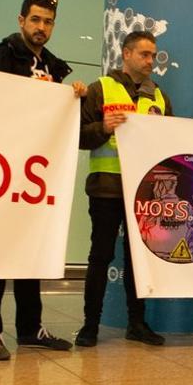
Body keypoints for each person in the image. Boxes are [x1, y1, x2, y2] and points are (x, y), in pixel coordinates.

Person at [0, 0, 81, 359]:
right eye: (35, 20)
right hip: (0, 169)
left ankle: (30, 328)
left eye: (48, 22)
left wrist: (71, 96)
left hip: (36, 173)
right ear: (21, 21)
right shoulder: (0, 56)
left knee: (30, 251)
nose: (41, 27)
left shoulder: (52, 65)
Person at [76, 31, 170, 348]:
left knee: (138, 261)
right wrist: (102, 128)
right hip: (106, 188)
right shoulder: (100, 89)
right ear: (126, 54)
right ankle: (90, 325)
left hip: (144, 195)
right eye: (144, 54)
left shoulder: (160, 97)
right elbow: (77, 136)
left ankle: (137, 323)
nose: (150, 61)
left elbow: (171, 145)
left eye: (153, 55)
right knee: (100, 257)